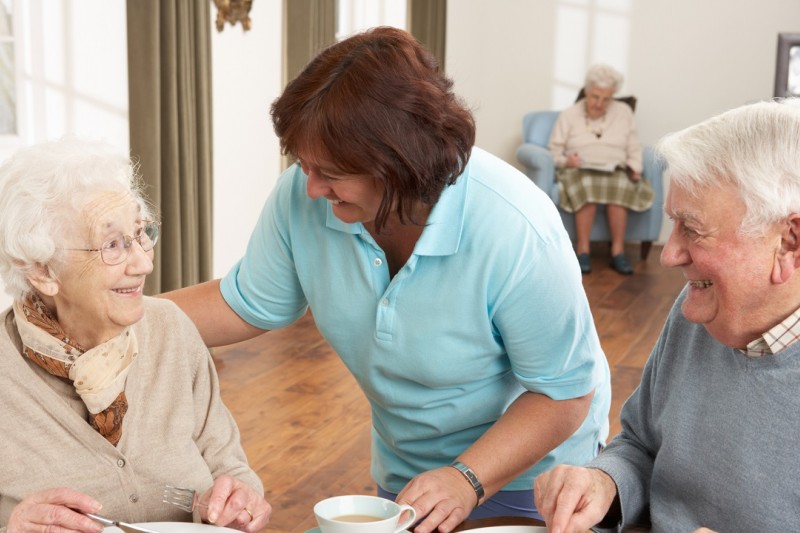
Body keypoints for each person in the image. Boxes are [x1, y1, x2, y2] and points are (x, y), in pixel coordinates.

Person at [164, 27, 611, 533]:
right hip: (411, 474)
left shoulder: (516, 227)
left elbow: (566, 393)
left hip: (534, 480)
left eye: (330, 171)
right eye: (303, 165)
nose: (310, 187)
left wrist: (467, 478)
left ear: (399, 163)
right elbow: (243, 303)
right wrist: (116, 315)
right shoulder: (306, 197)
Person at [534, 98, 800, 533]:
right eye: (672, 225)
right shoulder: (698, 310)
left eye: (691, 229)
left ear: (789, 241)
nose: (669, 254)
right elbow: (641, 444)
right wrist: (605, 482)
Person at [0, 138, 270, 533]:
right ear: (42, 270)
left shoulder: (171, 330)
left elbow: (227, 466)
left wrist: (241, 498)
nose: (144, 262)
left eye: (141, 234)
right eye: (113, 245)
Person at [548, 64, 654, 275]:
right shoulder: (569, 115)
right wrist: (567, 161)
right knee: (587, 185)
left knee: (621, 185)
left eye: (606, 98)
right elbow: (553, 151)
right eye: (595, 96)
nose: (599, 103)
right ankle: (583, 251)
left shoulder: (623, 112)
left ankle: (618, 252)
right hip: (579, 169)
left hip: (615, 169)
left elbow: (634, 145)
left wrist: (635, 168)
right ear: (586, 91)